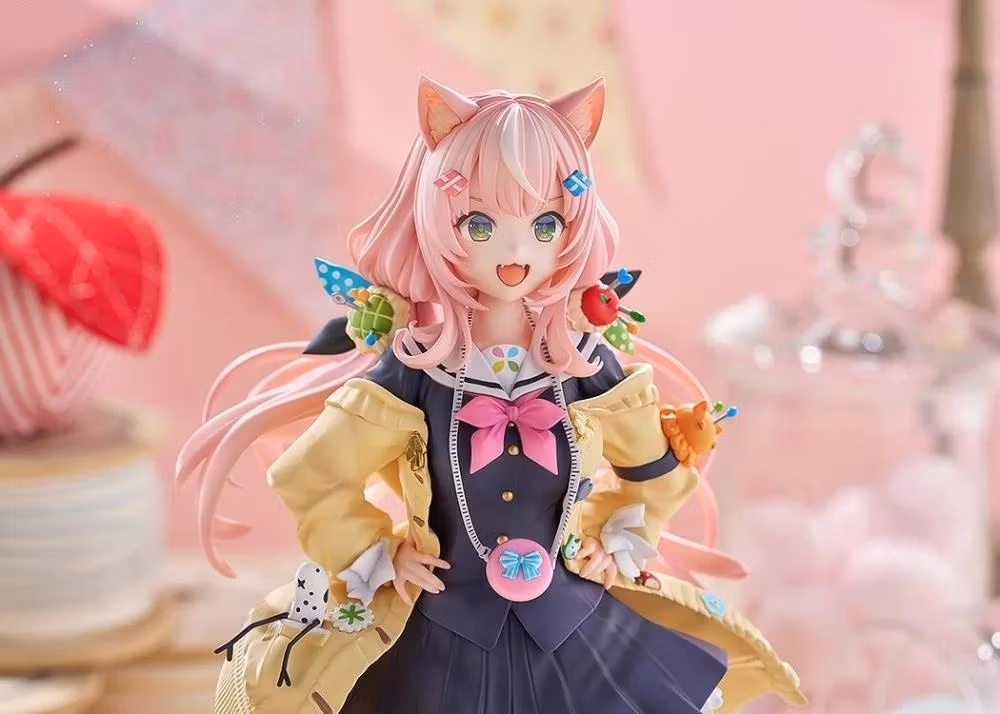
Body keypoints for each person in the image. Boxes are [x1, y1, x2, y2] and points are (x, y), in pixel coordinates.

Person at [177, 76, 805, 714]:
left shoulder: (584, 366)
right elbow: (312, 475)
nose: (515, 251)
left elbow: (655, 469)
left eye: (545, 224)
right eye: (479, 223)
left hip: (573, 626)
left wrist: (613, 537)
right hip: (443, 634)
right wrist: (378, 552)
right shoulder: (417, 371)